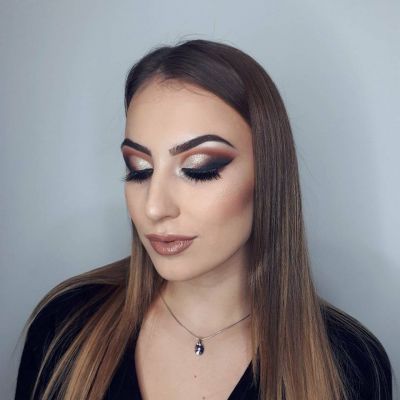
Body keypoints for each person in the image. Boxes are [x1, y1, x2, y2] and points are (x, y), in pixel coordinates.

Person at [15, 39, 392, 400]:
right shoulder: (65, 328)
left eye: (199, 169)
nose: (154, 207)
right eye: (139, 170)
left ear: (268, 176)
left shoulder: (350, 363)